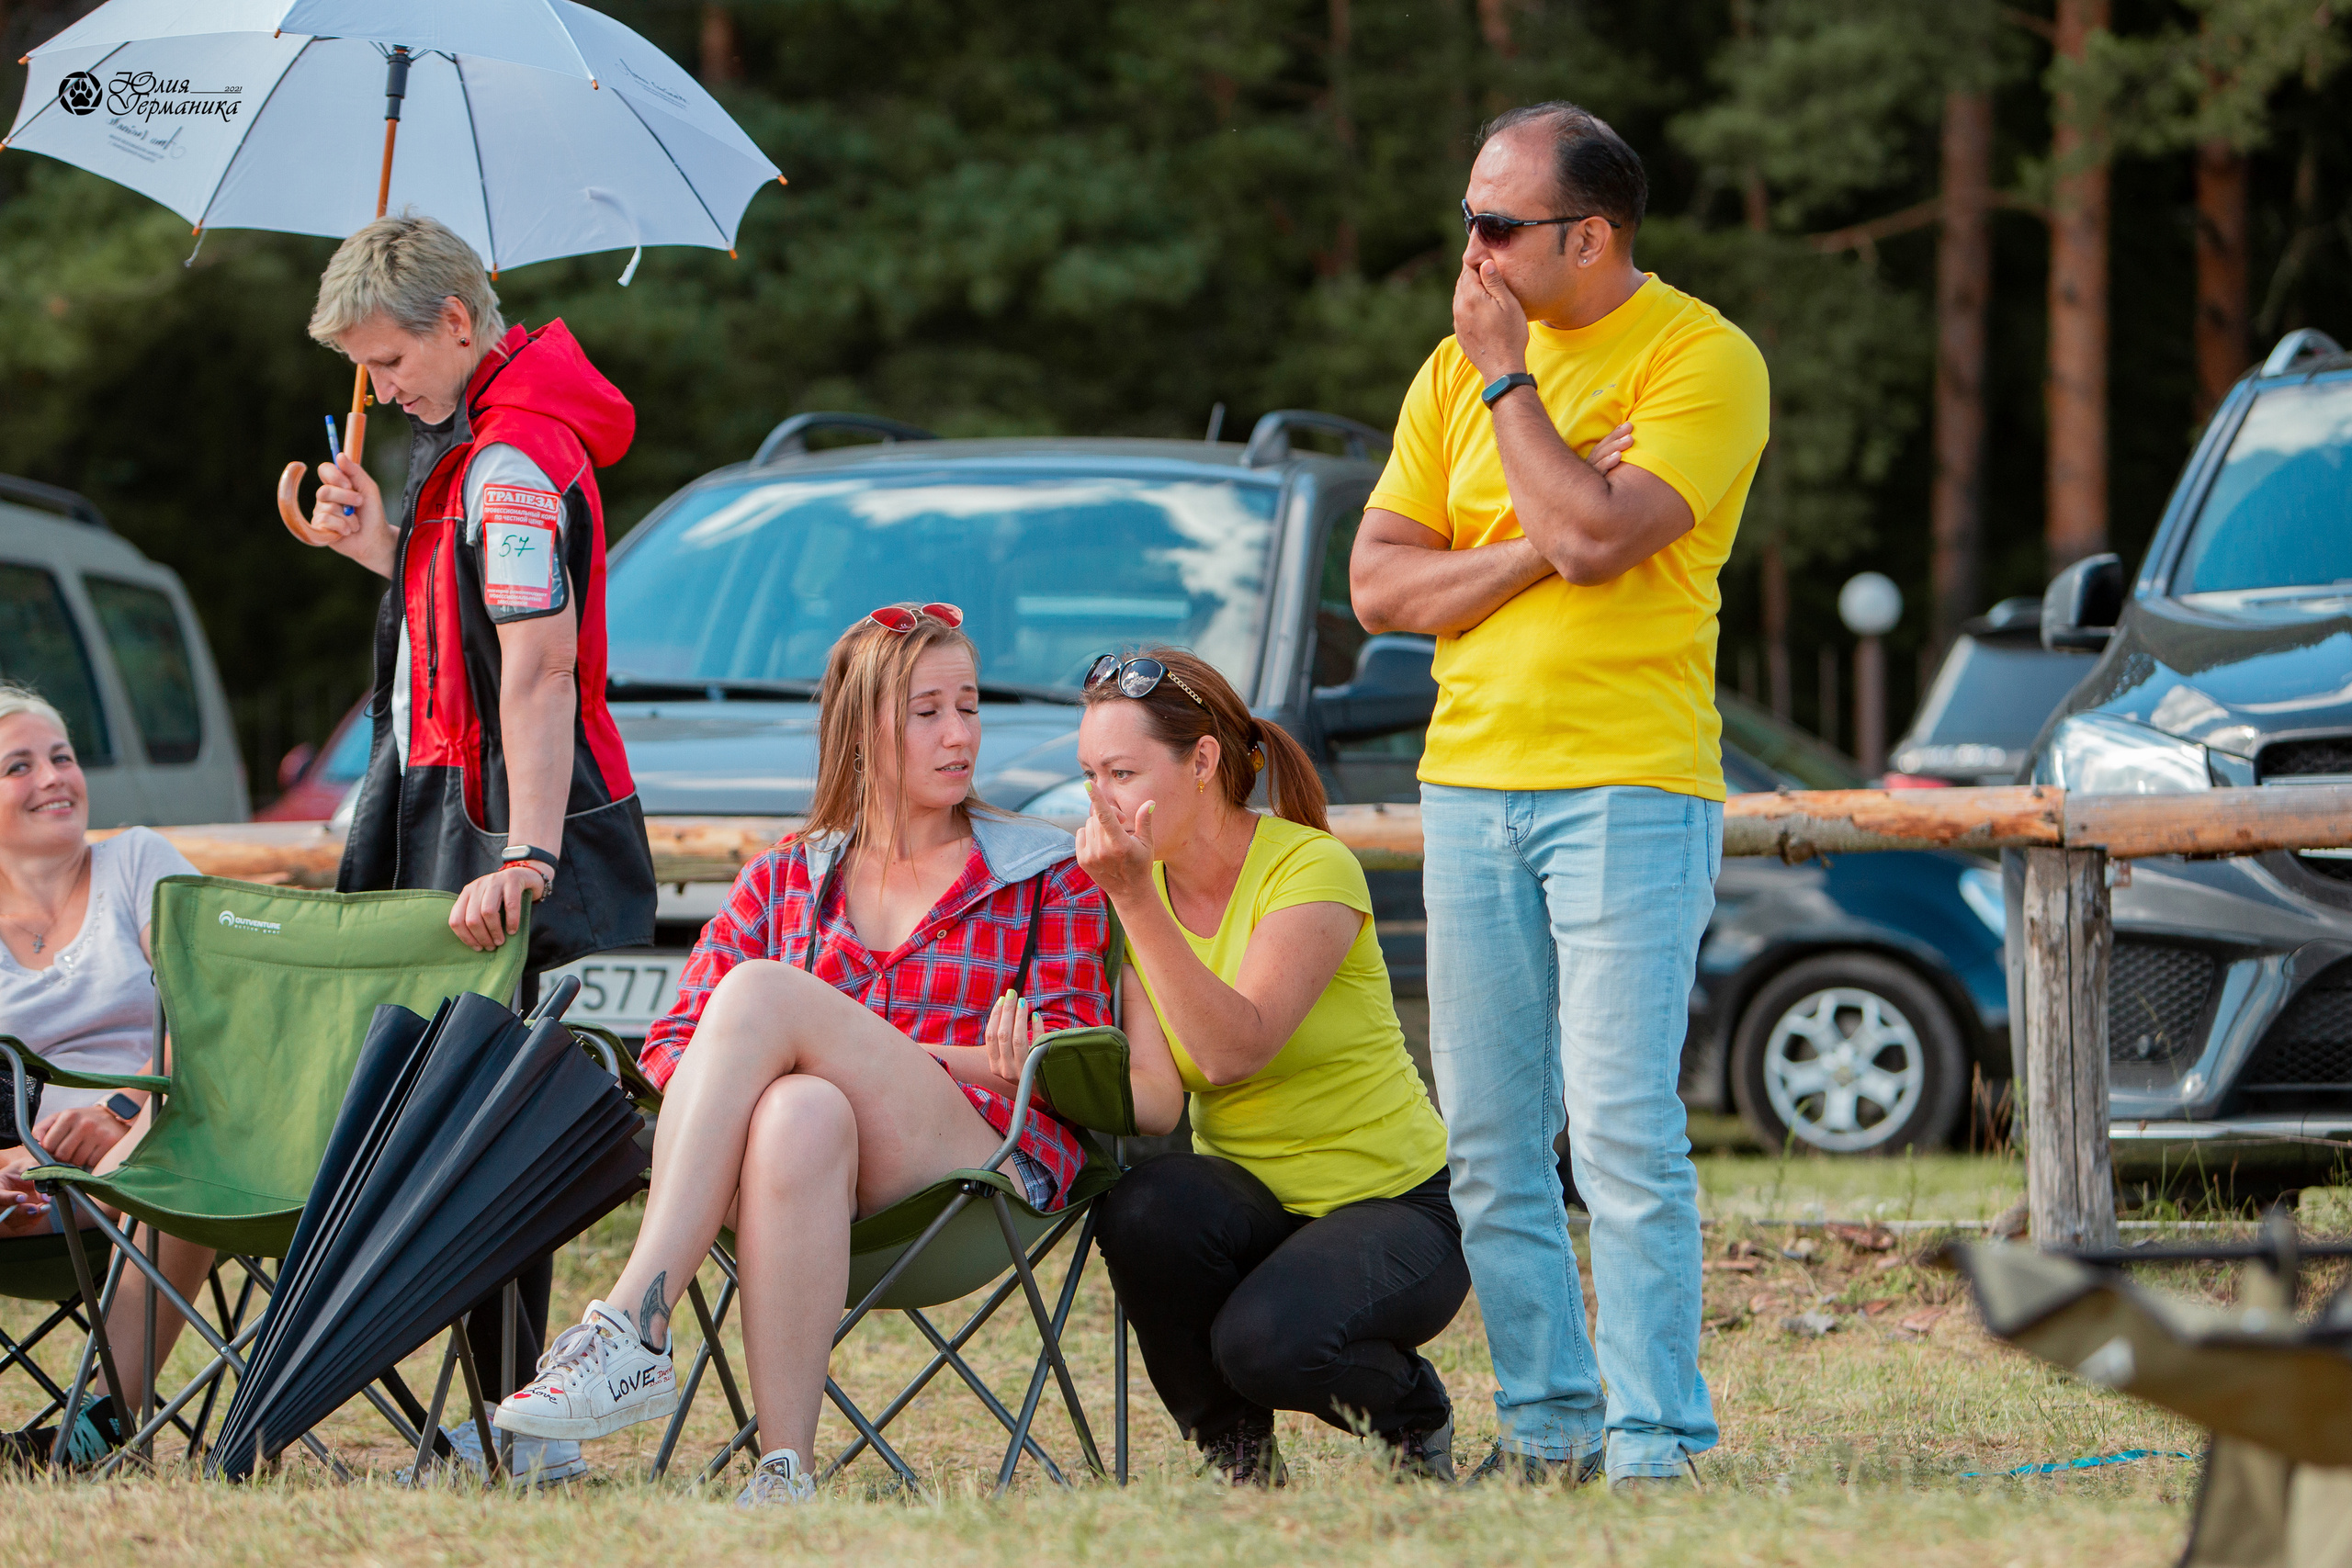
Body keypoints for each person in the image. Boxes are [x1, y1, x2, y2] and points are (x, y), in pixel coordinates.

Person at [492, 604, 1183, 1507]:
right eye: (926, 711)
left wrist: (858, 1049)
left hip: (971, 1178)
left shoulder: (1045, 874)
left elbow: (1062, 1060)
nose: (958, 734)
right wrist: (796, 1075)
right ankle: (787, 1470)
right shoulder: (785, 876)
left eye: (967, 707)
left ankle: (631, 1324)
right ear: (862, 730)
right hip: (792, 1186)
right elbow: (668, 1049)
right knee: (798, 1109)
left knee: (762, 999)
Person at [1349, 103, 1770, 1489]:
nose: (1469, 250)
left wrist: (1512, 394)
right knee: (1488, 1141)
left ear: (1590, 236)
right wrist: (1538, 536)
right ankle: (1549, 1426)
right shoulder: (1450, 370)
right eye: (1465, 216)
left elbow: (1602, 537)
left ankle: (1657, 1441)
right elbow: (1379, 585)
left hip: (1629, 785)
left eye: (1497, 225)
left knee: (1627, 1130)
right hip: (1468, 788)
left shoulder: (1702, 358)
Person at [300, 213, 659, 1482]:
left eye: (390, 358)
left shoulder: (509, 460)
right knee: (456, 1123)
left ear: (459, 319)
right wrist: (372, 550)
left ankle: (519, 1427)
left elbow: (542, 667)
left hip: (506, 816)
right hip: (452, 797)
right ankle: (502, 1423)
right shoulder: (473, 446)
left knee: (492, 1131)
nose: (382, 387)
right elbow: (461, 617)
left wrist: (526, 851)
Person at [1076, 648, 1468, 1485]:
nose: (1100, 800)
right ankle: (1237, 1451)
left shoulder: (1309, 868)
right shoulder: (1139, 901)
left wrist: (1135, 902)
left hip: (1397, 1208)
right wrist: (1017, 1064)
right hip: (1255, 1214)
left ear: (1204, 761)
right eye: (1090, 775)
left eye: (1121, 771)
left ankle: (1411, 1410)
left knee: (1264, 1344)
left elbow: (1232, 1048)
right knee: (1142, 1207)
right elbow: (1155, 1102)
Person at [0, 684, 207, 1467]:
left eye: (62, 757)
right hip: (30, 1167)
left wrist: (121, 1107)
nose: (54, 777)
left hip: (166, 1126)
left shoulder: (136, 863)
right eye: (19, 765)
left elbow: (214, 1015)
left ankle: (106, 1422)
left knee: (173, 1160)